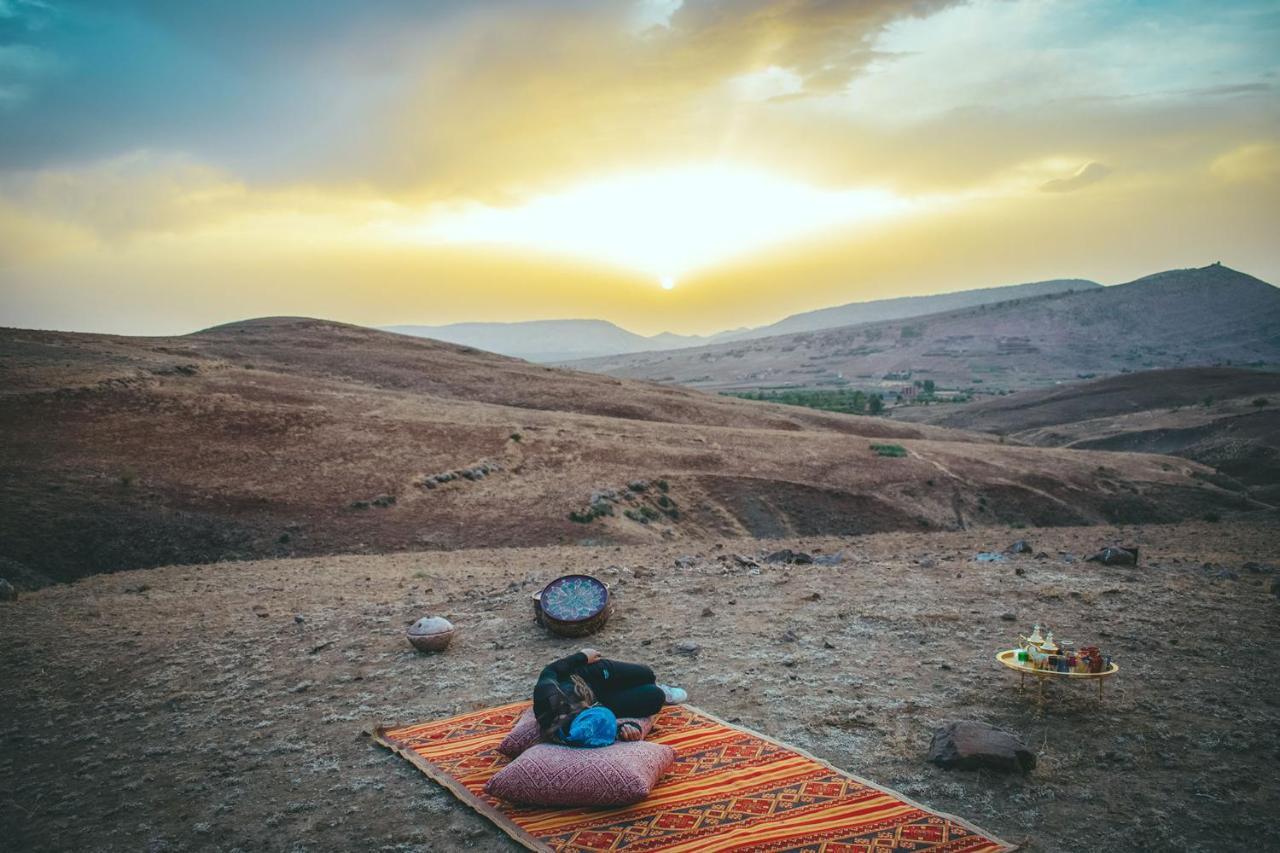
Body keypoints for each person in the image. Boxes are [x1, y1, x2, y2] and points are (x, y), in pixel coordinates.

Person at [532, 647, 687, 745]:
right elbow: (609, 727)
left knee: (646, 674)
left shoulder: (547, 696)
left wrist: (582, 656)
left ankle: (642, 684)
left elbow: (549, 671)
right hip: (605, 702)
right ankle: (661, 691)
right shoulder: (580, 733)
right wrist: (628, 729)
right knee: (655, 696)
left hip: (587, 676)